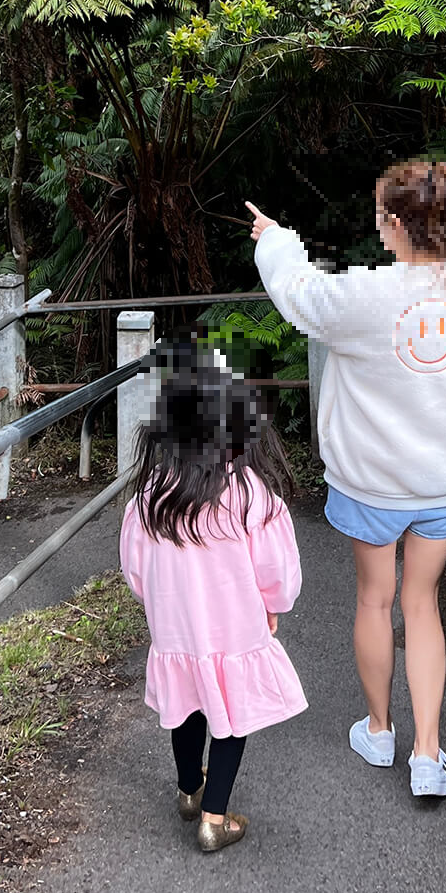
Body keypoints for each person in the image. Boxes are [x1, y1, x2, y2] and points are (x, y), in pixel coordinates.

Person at [247, 161, 446, 801]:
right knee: (421, 604)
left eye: (381, 215)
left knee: (375, 599)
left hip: (371, 485)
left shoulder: (365, 296)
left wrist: (279, 240)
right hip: (445, 482)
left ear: (395, 224)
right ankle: (428, 752)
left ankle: (378, 729)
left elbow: (300, 295)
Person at [118, 342, 307, 853]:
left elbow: (135, 572)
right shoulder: (250, 496)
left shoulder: (150, 498)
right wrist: (273, 605)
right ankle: (214, 819)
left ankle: (188, 790)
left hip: (176, 630)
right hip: (235, 628)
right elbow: (278, 571)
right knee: (230, 715)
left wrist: (158, 601)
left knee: (188, 708)